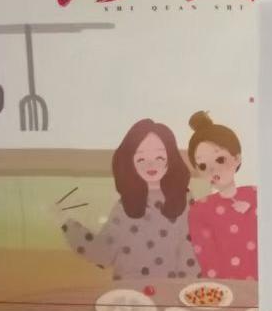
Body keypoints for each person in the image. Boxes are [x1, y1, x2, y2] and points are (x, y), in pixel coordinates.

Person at [60, 119, 196, 281]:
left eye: (159, 157)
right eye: (141, 159)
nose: (150, 164)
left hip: (173, 291)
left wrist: (183, 291)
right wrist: (66, 222)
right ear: (130, 162)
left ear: (171, 158)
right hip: (128, 291)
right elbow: (103, 254)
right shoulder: (124, 206)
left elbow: (191, 260)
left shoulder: (185, 200)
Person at [186, 111, 258, 281]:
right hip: (223, 289)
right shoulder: (200, 210)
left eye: (220, 159)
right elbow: (207, 260)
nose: (213, 170)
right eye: (203, 165)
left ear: (237, 158)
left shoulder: (256, 195)